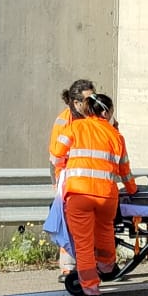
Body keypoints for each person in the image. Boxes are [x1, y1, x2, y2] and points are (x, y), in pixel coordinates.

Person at [53, 90, 133, 296]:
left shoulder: (75, 127)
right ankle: (107, 266)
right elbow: (124, 169)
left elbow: (56, 154)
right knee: (106, 231)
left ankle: (91, 291)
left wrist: (63, 169)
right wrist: (131, 188)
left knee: (84, 244)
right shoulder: (116, 135)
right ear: (107, 112)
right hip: (107, 196)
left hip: (80, 195)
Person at [49, 79, 95, 279]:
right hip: (71, 179)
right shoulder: (64, 121)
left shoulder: (94, 117)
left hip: (91, 178)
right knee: (69, 225)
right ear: (76, 102)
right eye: (89, 99)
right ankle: (69, 267)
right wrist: (57, 182)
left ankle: (96, 264)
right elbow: (55, 156)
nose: (93, 102)